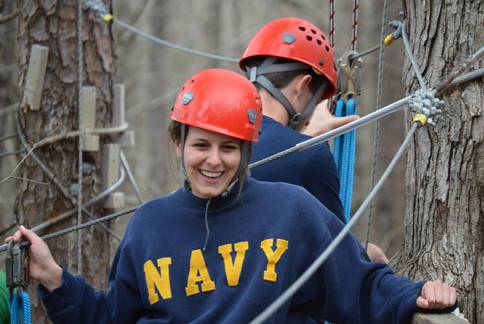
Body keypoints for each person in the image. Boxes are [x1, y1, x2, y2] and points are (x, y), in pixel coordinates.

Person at [6, 69, 456, 323]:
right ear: (179, 144)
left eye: (229, 148)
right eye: (201, 145)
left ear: (247, 149)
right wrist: (52, 277)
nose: (214, 161)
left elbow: (360, 285)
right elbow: (111, 318)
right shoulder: (149, 225)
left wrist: (416, 294)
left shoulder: (293, 211)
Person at [240, 17, 388, 263]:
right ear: (303, 85)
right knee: (372, 254)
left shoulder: (218, 147)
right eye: (317, 99)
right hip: (280, 294)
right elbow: (339, 259)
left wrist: (303, 140)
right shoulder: (310, 157)